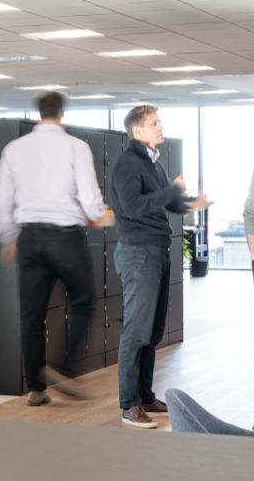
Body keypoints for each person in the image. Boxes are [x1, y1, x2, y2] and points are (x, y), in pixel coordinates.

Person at [0, 92, 106, 408]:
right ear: (62, 113)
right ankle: (64, 367)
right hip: (65, 237)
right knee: (82, 301)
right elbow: (90, 195)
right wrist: (95, 215)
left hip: (28, 238)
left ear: (39, 113)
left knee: (31, 315)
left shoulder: (14, 149)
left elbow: (1, 200)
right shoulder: (75, 147)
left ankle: (36, 389)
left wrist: (8, 237)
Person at [109, 106, 207, 429]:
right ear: (137, 131)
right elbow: (133, 207)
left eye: (159, 121)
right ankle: (129, 404)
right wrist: (171, 191)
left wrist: (189, 202)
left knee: (151, 331)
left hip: (157, 250)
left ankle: (145, 395)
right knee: (136, 331)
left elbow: (167, 202)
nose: (160, 127)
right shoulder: (127, 165)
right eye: (154, 123)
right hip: (139, 252)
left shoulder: (151, 163)